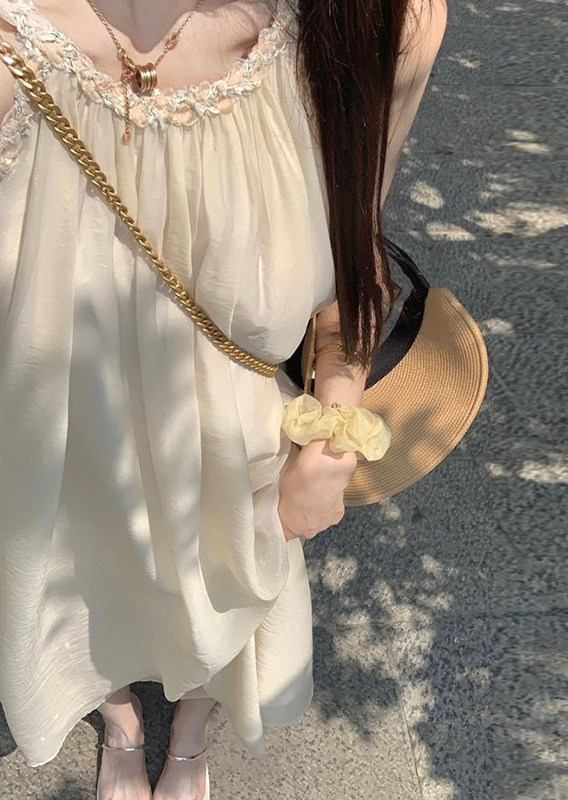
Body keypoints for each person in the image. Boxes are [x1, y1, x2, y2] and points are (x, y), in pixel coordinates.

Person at [0, 0, 447, 797]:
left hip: (234, 447)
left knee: (221, 596)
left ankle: (194, 727)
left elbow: (354, 265)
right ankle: (119, 719)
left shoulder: (377, 22)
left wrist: (333, 439)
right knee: (84, 585)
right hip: (55, 441)